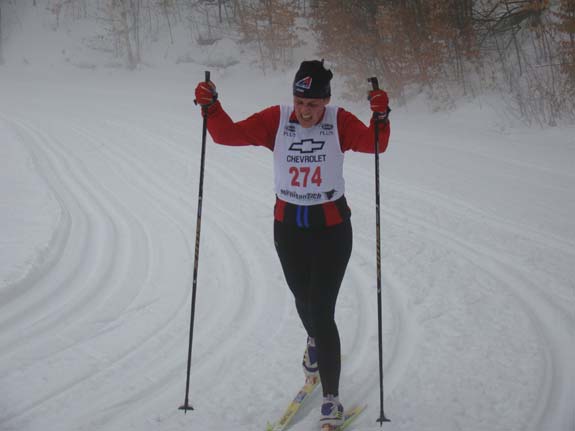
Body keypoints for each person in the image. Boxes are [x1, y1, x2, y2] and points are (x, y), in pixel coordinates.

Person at [194, 59, 390, 430]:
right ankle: (313, 342)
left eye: (313, 105)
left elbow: (375, 143)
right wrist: (212, 108)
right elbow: (226, 135)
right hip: (289, 231)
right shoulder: (277, 120)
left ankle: (331, 398)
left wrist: (381, 116)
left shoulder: (340, 122)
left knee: (321, 308)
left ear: (326, 101)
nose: (305, 112)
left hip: (332, 231)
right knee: (303, 300)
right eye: (300, 103)